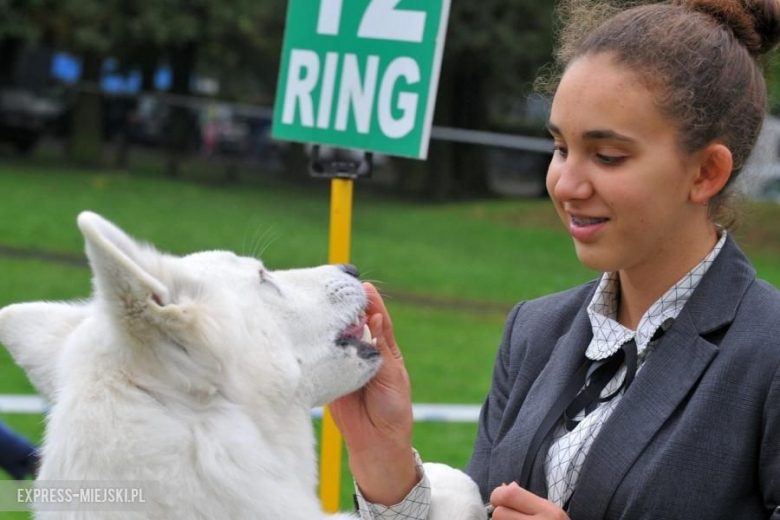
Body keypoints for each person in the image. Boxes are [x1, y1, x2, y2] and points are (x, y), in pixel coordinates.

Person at [329, 0, 780, 518]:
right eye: (561, 148)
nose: (566, 185)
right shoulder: (534, 332)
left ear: (706, 173)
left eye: (607, 156)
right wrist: (386, 465)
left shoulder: (767, 353)